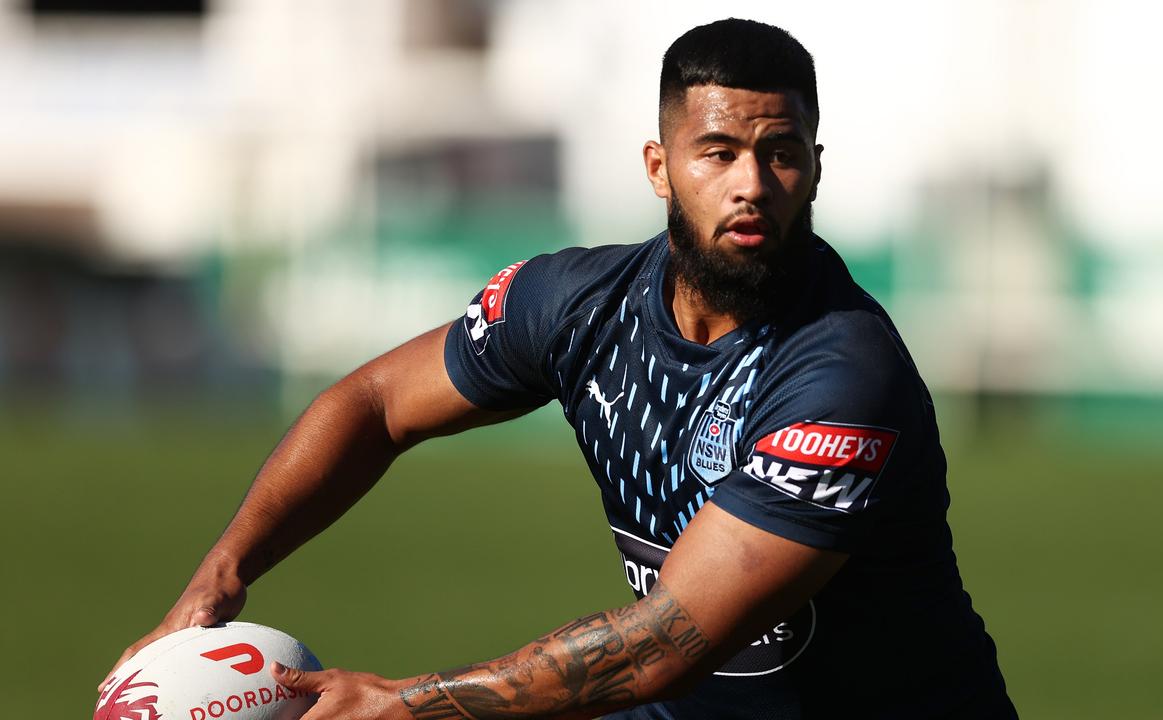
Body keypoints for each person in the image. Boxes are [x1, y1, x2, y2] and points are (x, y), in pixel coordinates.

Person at [100, 18, 1017, 719]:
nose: (751, 184)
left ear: (815, 169)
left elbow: (668, 641)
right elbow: (376, 404)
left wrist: (404, 704)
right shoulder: (577, 302)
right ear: (661, 167)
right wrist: (219, 575)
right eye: (719, 152)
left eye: (780, 155)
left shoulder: (846, 377)